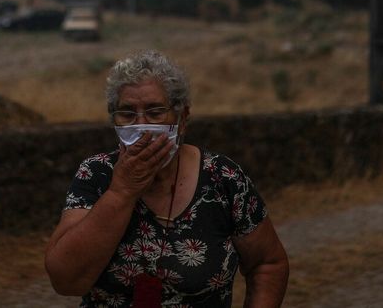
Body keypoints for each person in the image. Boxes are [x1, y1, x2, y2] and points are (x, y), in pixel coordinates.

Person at [45, 50, 289, 307]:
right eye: (127, 113)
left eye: (155, 112)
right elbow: (65, 280)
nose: (142, 126)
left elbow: (267, 264)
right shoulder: (96, 174)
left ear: (182, 119)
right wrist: (122, 192)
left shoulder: (223, 178)